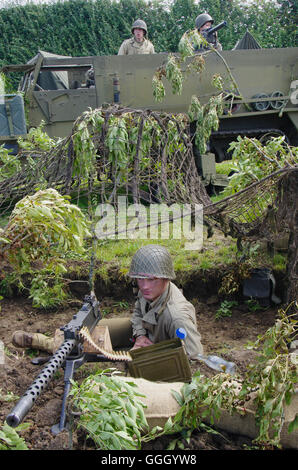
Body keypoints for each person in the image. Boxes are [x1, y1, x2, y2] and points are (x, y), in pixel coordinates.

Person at [12, 245, 203, 359]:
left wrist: (155, 349)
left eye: (151, 279)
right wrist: (140, 335)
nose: (144, 285)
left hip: (160, 351)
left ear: (165, 279)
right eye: (139, 278)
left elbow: (194, 356)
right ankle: (42, 341)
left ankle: (45, 345)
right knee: (88, 331)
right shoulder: (148, 290)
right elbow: (138, 313)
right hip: (145, 334)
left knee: (99, 353)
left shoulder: (177, 316)